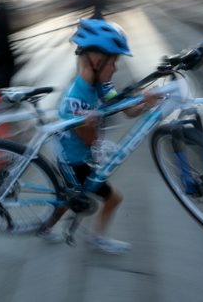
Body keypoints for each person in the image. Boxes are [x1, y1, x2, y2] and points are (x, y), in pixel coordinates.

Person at [37, 18, 159, 254]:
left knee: (67, 199)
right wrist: (90, 125)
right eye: (113, 62)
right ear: (96, 61)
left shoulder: (102, 86)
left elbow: (127, 110)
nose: (115, 68)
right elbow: (90, 141)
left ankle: (46, 227)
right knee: (112, 198)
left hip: (78, 156)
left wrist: (145, 102)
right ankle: (96, 238)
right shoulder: (75, 100)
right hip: (74, 162)